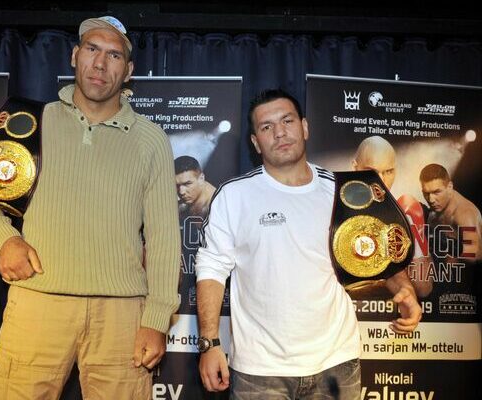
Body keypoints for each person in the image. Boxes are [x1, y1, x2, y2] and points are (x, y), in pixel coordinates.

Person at [0, 15, 180, 400]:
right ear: (75, 56)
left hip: (121, 316)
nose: (101, 63)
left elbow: (163, 238)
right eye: (92, 49)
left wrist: (157, 319)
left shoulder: (151, 140)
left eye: (114, 55)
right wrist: (5, 240)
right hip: (38, 301)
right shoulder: (31, 121)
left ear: (128, 71)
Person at [195, 89, 422, 399]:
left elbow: (377, 249)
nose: (279, 132)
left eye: (287, 121)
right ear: (255, 142)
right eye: (266, 127)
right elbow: (211, 268)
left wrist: (404, 289)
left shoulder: (343, 190)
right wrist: (209, 343)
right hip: (260, 371)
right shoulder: (234, 196)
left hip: (336, 363)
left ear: (304, 127)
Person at [351, 135, 432, 298]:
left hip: (393, 309)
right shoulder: (333, 207)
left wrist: (414, 230)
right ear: (355, 167)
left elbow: (424, 288)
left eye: (388, 171)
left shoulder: (404, 214)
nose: (381, 180)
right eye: (372, 171)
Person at [419, 163, 482, 261]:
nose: (431, 200)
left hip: (462, 270)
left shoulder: (465, 213)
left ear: (449, 187)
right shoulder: (437, 207)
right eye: (426, 193)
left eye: (436, 192)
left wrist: (446, 244)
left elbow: (477, 253)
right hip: (440, 266)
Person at [175, 155, 216, 220]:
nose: (181, 192)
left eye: (187, 184)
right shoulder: (183, 205)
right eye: (177, 185)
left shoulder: (216, 207)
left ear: (201, 178)